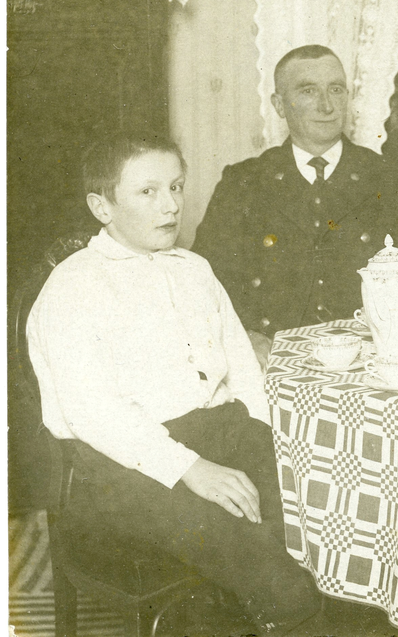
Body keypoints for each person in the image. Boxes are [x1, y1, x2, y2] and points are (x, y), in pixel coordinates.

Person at [27, 137, 322, 634]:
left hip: (220, 430)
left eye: (176, 187)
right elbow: (93, 412)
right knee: (265, 566)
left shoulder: (194, 269)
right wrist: (191, 468)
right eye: (148, 191)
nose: (170, 205)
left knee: (322, 506)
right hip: (124, 466)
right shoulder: (73, 287)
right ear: (102, 207)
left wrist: (268, 443)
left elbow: (242, 370)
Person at [192, 44, 398, 366]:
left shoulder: (389, 177)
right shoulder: (244, 182)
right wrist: (242, 334)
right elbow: (205, 278)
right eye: (308, 91)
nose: (326, 106)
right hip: (275, 355)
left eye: (335, 89)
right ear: (279, 105)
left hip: (371, 354)